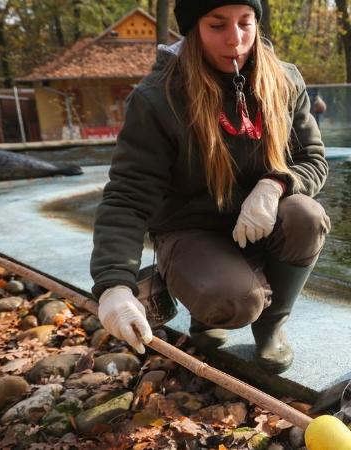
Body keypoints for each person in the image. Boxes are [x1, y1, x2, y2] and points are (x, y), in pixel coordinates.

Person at [90, 0, 330, 374]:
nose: (236, 40)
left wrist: (275, 184)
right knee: (233, 301)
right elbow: (127, 196)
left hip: (262, 222)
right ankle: (206, 308)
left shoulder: (285, 80)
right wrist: (113, 285)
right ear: (193, 29)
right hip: (190, 229)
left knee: (307, 215)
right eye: (217, 26)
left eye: (245, 23)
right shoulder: (157, 98)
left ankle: (271, 325)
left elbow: (313, 159)